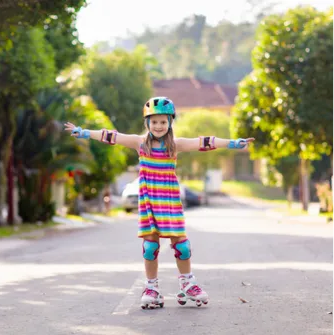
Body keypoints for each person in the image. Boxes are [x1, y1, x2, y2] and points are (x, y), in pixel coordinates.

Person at [64, 97, 255, 309]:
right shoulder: (139, 143)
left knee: (181, 245)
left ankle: (187, 283)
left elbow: (204, 142)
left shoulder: (175, 145)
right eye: (154, 122)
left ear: (170, 123)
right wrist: (84, 132)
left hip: (170, 200)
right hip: (149, 200)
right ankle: (152, 288)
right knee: (150, 247)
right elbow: (112, 136)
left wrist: (232, 143)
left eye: (163, 122)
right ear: (147, 123)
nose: (158, 126)